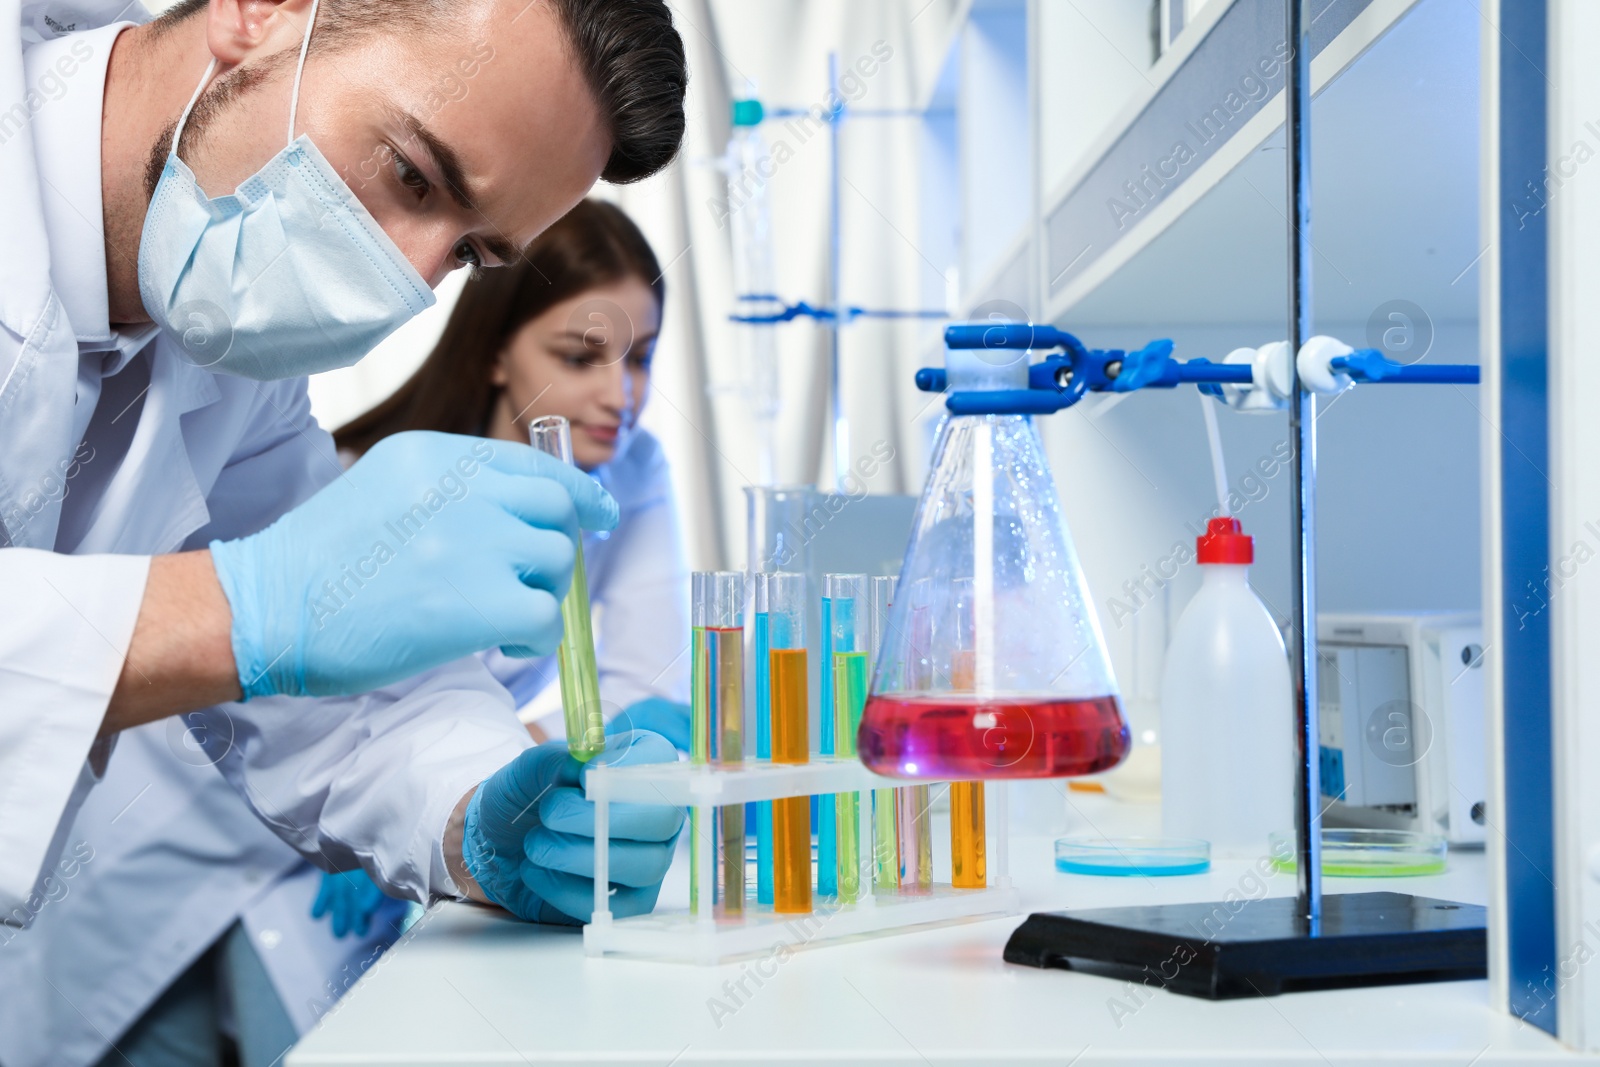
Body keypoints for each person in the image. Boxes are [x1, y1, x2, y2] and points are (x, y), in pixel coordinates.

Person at [0, 0, 689, 1053]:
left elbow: (344, 698)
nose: (410, 280)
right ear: (262, 13)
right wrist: (235, 610)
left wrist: (481, 812)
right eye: (413, 175)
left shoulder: (230, 368)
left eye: (464, 252)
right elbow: (271, 613)